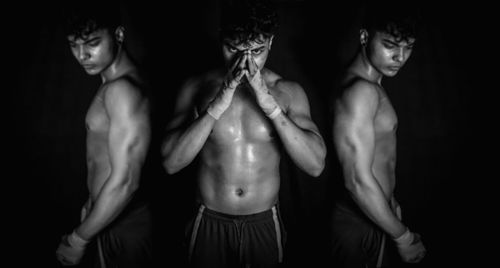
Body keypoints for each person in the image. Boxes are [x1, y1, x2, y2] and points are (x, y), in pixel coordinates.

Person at [161, 0, 326, 267]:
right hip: (209, 220)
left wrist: (270, 106)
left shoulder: (288, 91)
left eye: (257, 50)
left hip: (263, 222)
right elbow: (170, 163)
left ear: (271, 43)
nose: (244, 62)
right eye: (233, 49)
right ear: (220, 41)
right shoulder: (196, 87)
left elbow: (316, 165)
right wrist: (217, 106)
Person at [55, 5, 153, 267]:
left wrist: (78, 239)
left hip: (125, 224)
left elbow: (127, 181)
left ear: (119, 34)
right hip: (106, 217)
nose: (82, 55)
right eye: (73, 45)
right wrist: (92, 206)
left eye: (92, 43)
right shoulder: (113, 84)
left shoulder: (122, 90)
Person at [329, 4, 426, 268]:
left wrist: (390, 206)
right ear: (364, 37)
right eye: (391, 45)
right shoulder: (361, 91)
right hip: (359, 223)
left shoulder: (370, 86)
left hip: (378, 216)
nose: (401, 57)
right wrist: (403, 236)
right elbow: (356, 180)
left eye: (408, 47)